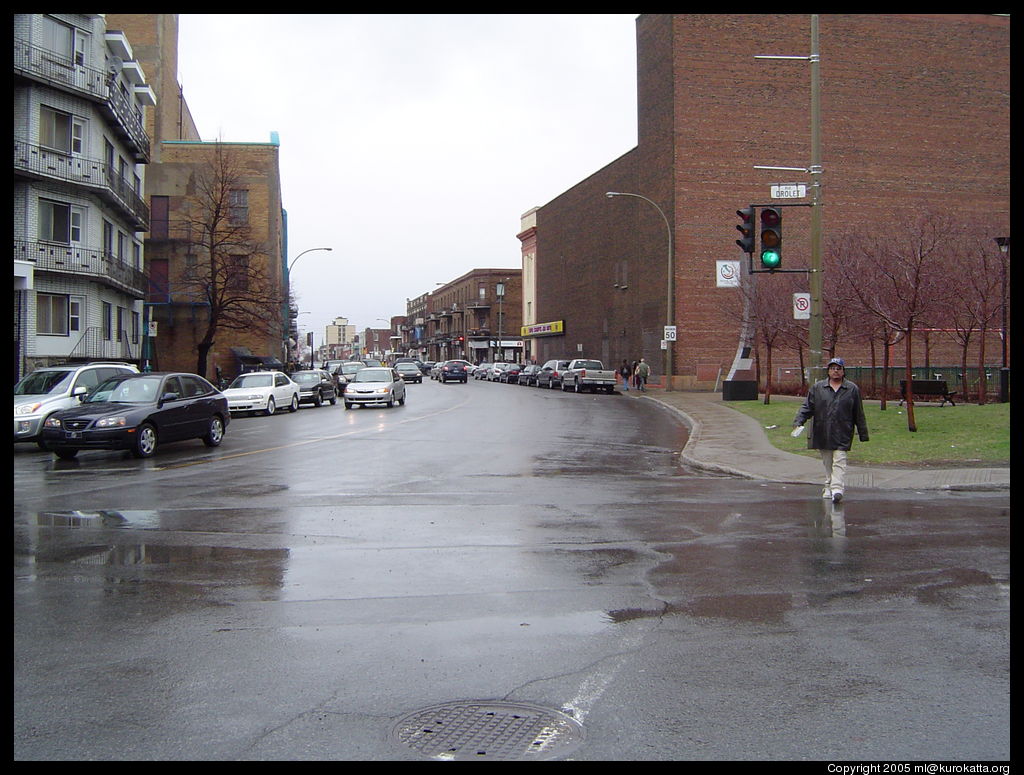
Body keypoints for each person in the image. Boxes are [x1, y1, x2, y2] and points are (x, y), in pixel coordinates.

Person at [793, 357, 869, 503]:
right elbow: (808, 407)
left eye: (838, 368)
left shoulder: (852, 389)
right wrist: (799, 421)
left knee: (840, 460)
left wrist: (863, 432)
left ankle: (837, 489)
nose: (835, 371)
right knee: (828, 462)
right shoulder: (818, 388)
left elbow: (858, 412)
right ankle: (828, 485)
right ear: (828, 371)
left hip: (843, 431)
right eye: (832, 368)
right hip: (823, 430)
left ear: (843, 371)